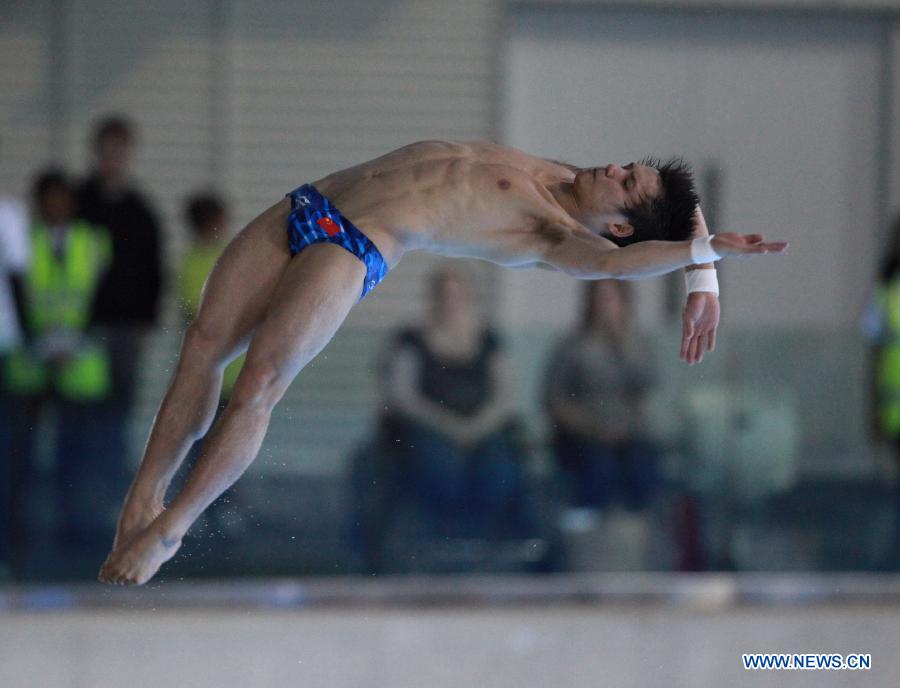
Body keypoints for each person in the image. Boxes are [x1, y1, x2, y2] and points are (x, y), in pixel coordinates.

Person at [98, 139, 786, 585]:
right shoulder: (564, 174)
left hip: (356, 245)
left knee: (258, 386)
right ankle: (142, 501)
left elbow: (631, 262)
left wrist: (704, 259)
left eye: (624, 180)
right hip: (312, 202)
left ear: (621, 225)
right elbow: (679, 200)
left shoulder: (558, 237)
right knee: (202, 346)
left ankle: (172, 528)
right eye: (623, 163)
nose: (611, 166)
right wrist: (706, 287)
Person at [4, 169, 112, 568]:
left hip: (80, 365)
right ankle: (18, 544)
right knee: (21, 461)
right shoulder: (24, 241)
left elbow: (108, 297)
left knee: (79, 460)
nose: (56, 205)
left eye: (62, 197)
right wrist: (39, 343)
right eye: (49, 198)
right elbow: (13, 293)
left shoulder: (93, 242)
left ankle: (78, 543)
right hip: (31, 365)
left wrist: (74, 342)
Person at [382, 267, 526, 541]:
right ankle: (443, 536)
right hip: (429, 428)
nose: (450, 302)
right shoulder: (411, 339)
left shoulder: (489, 339)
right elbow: (403, 396)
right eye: (444, 295)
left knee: (499, 469)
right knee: (440, 468)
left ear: (468, 297)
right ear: (433, 297)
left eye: (456, 295)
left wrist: (475, 428)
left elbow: (504, 396)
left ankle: (484, 538)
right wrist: (449, 426)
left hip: (483, 430)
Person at [77, 115, 163, 485]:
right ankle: (80, 477)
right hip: (84, 325)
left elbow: (153, 271)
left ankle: (111, 477)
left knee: (119, 404)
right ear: (96, 152)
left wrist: (146, 322)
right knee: (81, 405)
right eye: (107, 151)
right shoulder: (78, 203)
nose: (113, 159)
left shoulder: (141, 212)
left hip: (127, 328)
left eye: (120, 151)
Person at [544, 279, 660, 514]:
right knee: (598, 467)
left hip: (628, 435)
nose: (605, 306)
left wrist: (623, 343)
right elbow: (554, 399)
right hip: (583, 434)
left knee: (643, 467)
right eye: (600, 299)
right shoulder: (573, 346)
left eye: (611, 299)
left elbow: (648, 386)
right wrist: (593, 429)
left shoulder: (637, 345)